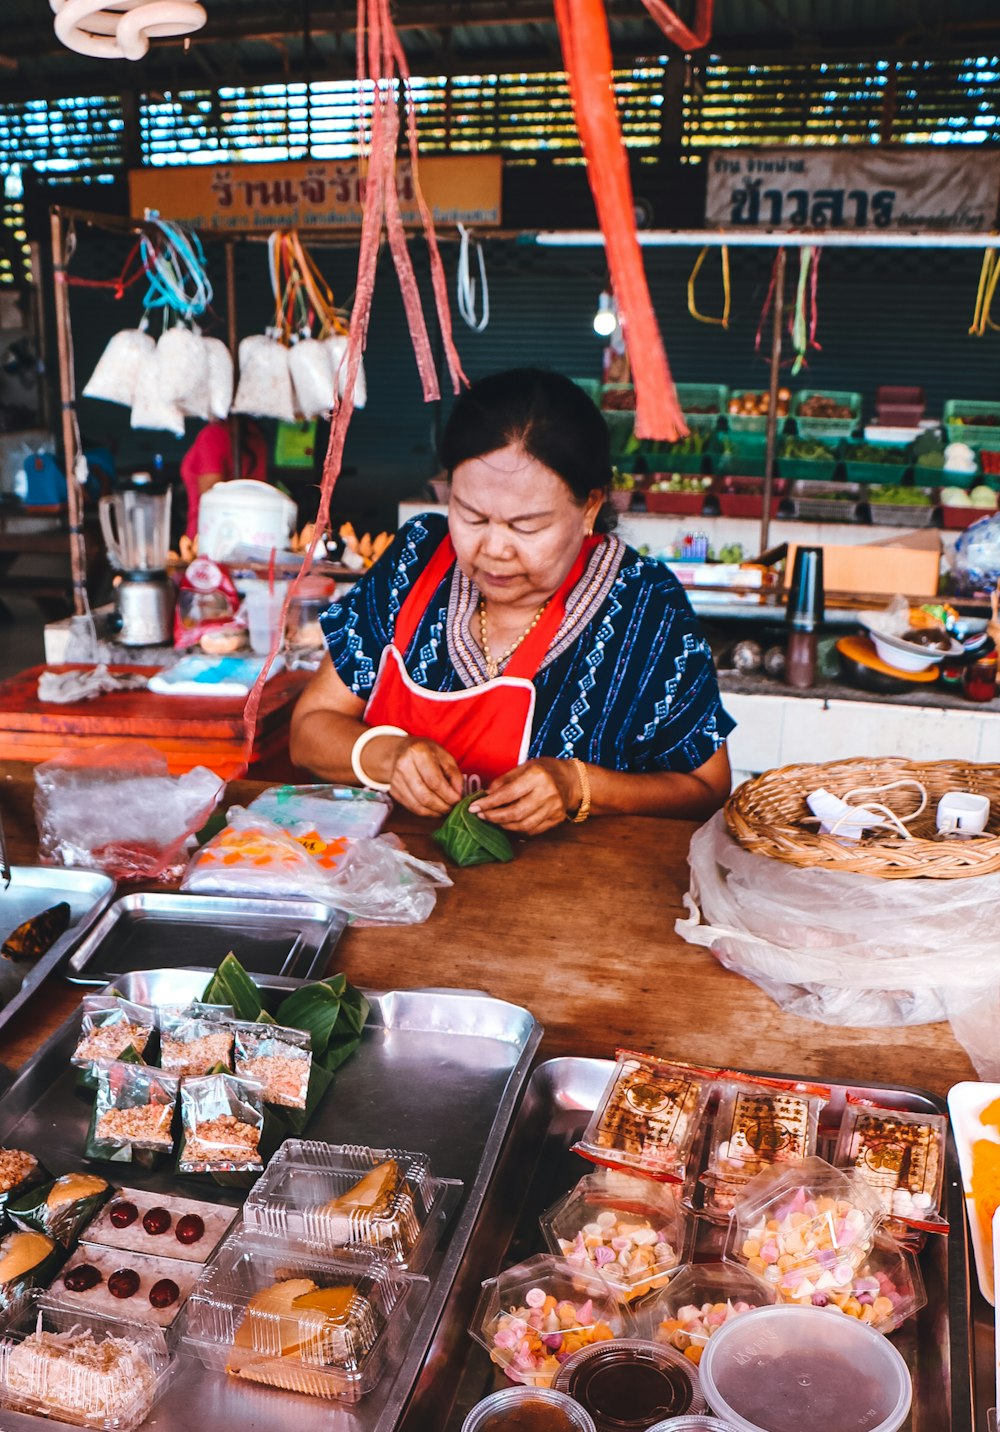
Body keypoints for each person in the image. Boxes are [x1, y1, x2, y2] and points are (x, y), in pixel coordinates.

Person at [290, 368, 734, 834]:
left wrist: (580, 786)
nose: (495, 549)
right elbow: (309, 730)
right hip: (388, 879)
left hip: (572, 899)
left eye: (527, 526)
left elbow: (705, 789)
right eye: (472, 516)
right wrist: (387, 755)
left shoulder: (645, 609)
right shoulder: (413, 563)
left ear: (590, 507)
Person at [179, 417, 268, 539]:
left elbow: (211, 497)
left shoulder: (213, 435)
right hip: (249, 535)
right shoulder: (256, 436)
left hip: (209, 538)